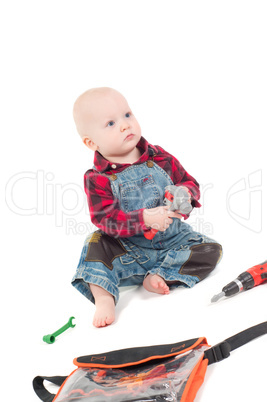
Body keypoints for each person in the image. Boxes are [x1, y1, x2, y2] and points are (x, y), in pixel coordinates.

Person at [71, 87, 222, 327]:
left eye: (127, 115)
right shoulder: (96, 178)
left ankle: (160, 274)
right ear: (91, 142)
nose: (124, 125)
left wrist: (183, 194)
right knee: (95, 242)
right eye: (111, 123)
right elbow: (105, 218)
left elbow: (189, 182)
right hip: (127, 249)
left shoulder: (159, 157)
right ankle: (104, 296)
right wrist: (144, 219)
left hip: (172, 241)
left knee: (211, 249)